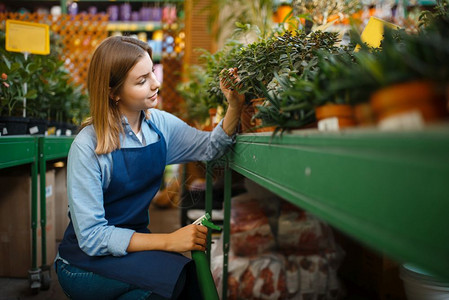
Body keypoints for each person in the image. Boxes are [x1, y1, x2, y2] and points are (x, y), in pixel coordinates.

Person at [56, 36, 244, 300]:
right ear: (113, 92)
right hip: (84, 262)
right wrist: (169, 240)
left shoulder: (160, 127)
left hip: (134, 249)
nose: (156, 84)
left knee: (189, 279)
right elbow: (92, 237)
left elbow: (211, 148)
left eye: (152, 73)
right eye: (142, 81)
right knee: (177, 282)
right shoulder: (88, 146)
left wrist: (234, 105)